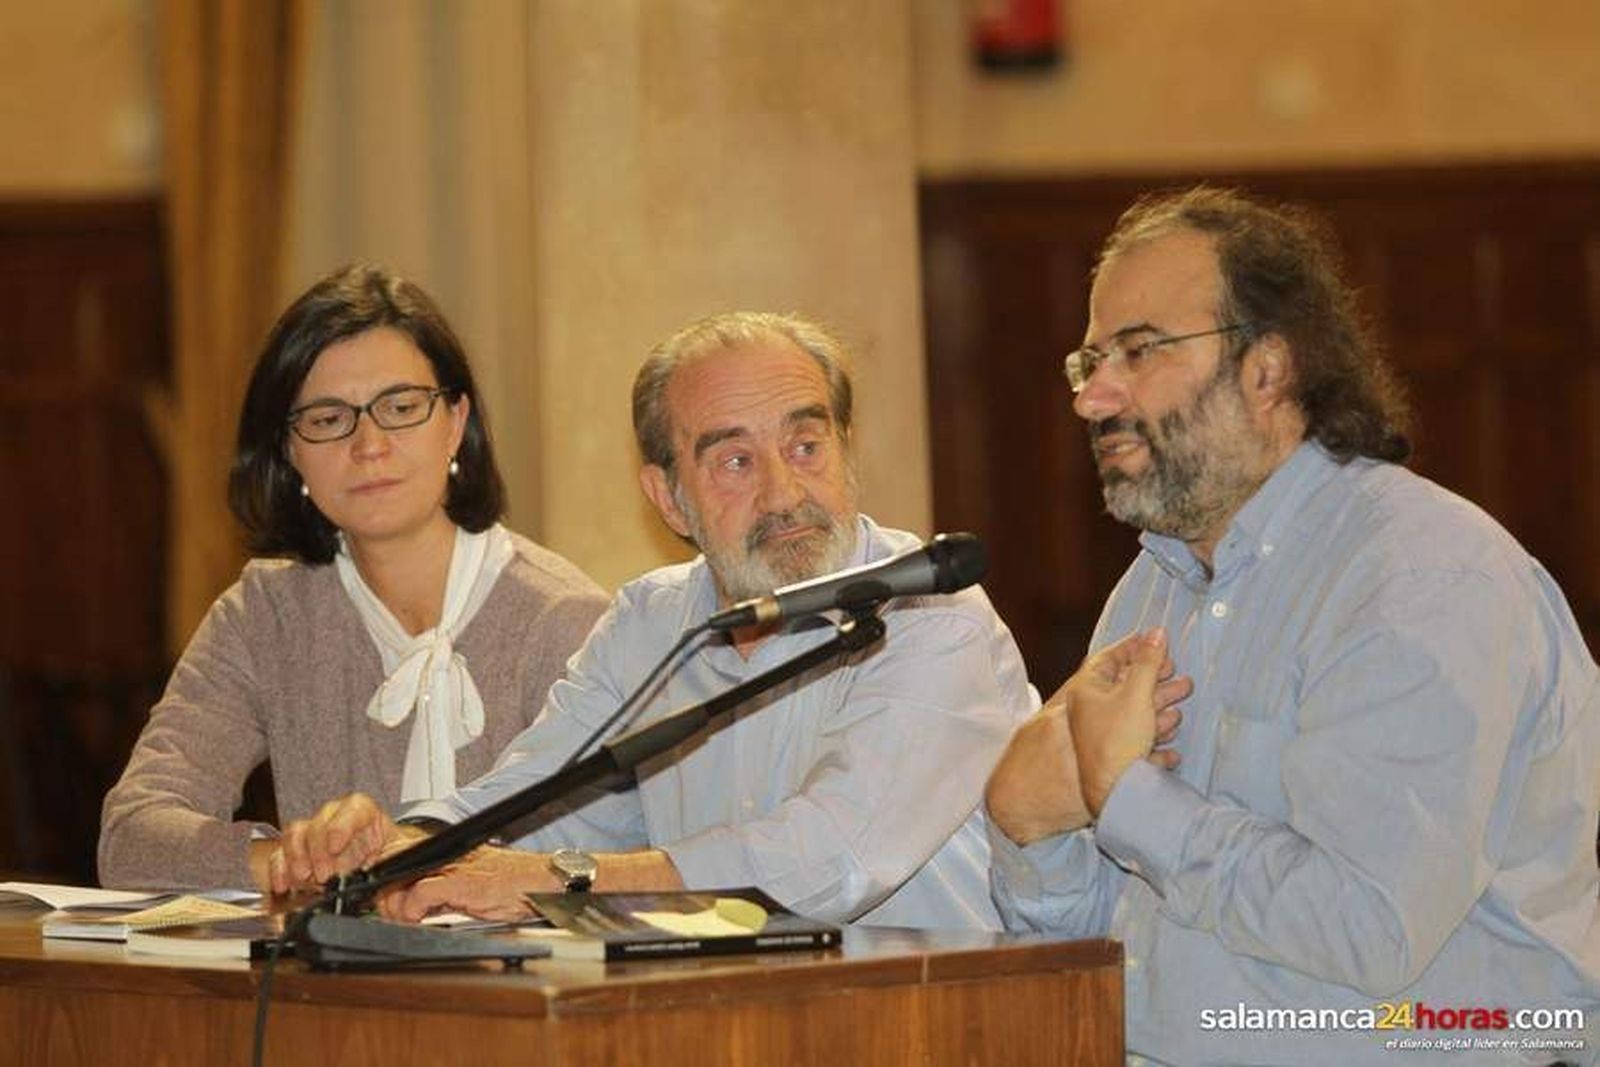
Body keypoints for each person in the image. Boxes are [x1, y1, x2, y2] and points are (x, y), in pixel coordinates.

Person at [984, 186, 1600, 1064]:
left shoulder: (1422, 578)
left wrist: (1124, 795)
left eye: (1140, 350)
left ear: (1267, 369)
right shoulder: (1151, 589)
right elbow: (1123, 940)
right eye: (1089, 362)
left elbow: (1369, 927)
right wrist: (1028, 828)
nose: (1095, 398)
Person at [270, 310, 1036, 929]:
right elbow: (539, 796)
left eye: (806, 445)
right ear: (669, 498)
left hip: (941, 1022)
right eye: (734, 461)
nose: (782, 493)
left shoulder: (931, 614)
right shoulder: (655, 620)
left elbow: (827, 860)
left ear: (846, 452)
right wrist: (395, 844)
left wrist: (557, 880)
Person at [98, 265, 609, 891]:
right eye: (327, 418)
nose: (369, 445)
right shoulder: (266, 615)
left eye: (400, 407)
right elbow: (132, 839)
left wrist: (403, 859)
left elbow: (606, 859)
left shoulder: (562, 620)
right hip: (326, 986)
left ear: (455, 422)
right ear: (290, 451)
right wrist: (296, 860)